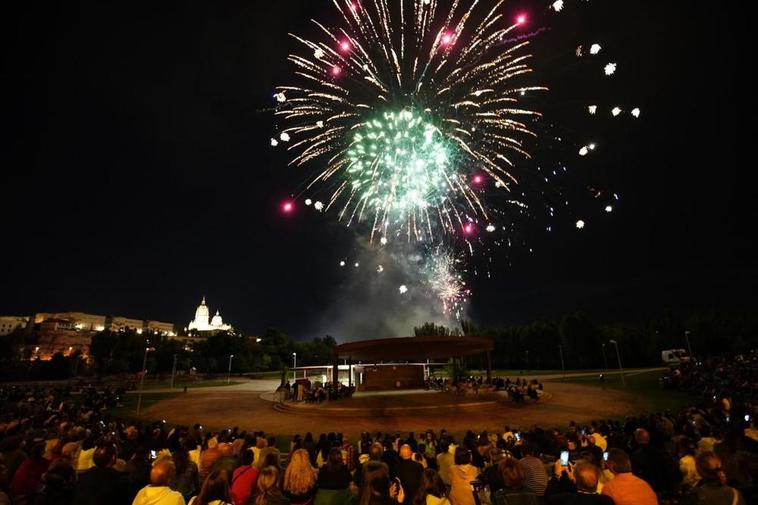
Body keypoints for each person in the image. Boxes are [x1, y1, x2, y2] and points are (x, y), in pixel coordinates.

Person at [546, 461, 614, 505]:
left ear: (575, 480)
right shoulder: (607, 501)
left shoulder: (566, 500)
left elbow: (548, 498)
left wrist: (556, 475)